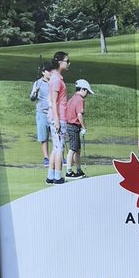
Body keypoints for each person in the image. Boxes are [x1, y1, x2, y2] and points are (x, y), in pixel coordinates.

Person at [44, 50, 70, 184]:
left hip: (57, 117)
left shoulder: (56, 78)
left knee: (56, 147)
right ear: (60, 62)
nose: (68, 63)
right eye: (67, 61)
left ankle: (51, 176)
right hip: (58, 117)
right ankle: (58, 177)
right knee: (59, 147)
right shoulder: (56, 80)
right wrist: (57, 120)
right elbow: (54, 101)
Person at [65, 78, 94, 177]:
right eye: (87, 91)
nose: (87, 94)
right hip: (73, 126)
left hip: (70, 125)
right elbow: (79, 115)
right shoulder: (80, 99)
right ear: (82, 89)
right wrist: (83, 127)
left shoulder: (72, 98)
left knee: (77, 149)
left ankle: (78, 170)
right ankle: (68, 171)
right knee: (72, 149)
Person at [30, 62, 53, 166]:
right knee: (44, 137)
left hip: (52, 113)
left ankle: (59, 157)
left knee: (56, 136)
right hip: (41, 113)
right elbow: (32, 98)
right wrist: (34, 92)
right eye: (49, 71)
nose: (51, 72)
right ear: (44, 72)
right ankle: (46, 158)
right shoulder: (37, 83)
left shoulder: (53, 82)